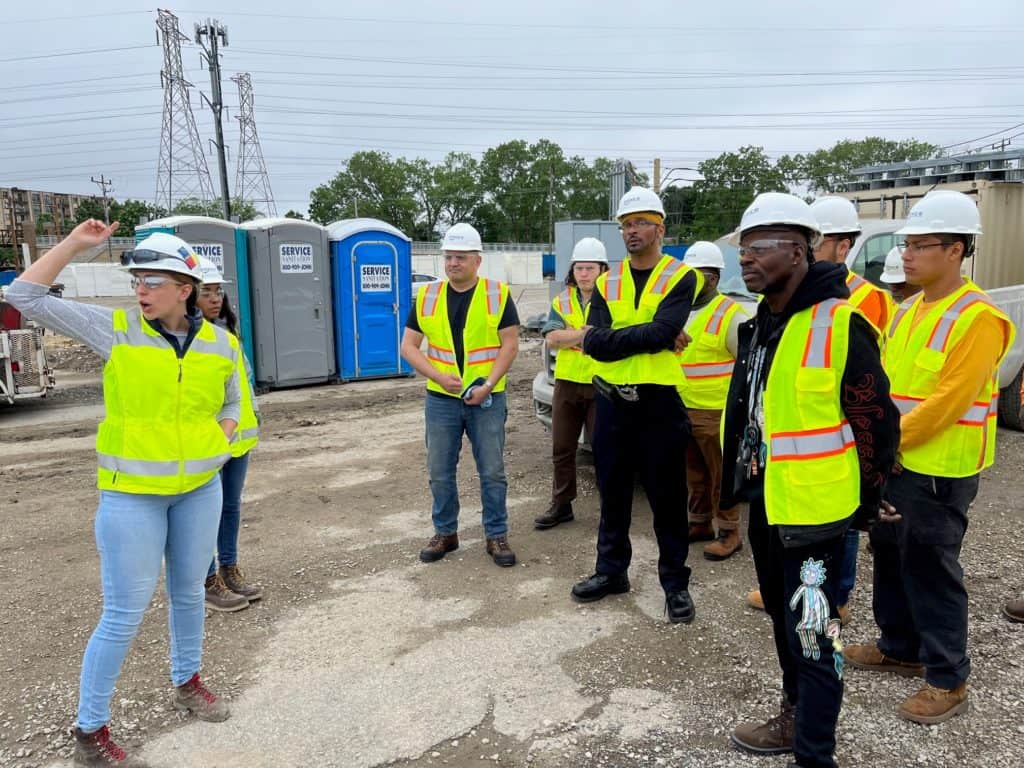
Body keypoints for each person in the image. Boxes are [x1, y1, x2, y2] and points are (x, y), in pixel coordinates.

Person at [6, 224, 241, 767]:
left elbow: (233, 401)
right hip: (132, 498)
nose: (140, 290)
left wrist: (221, 438)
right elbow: (21, 296)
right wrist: (73, 246)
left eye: (152, 281)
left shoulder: (221, 343)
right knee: (124, 613)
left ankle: (188, 682)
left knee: (188, 594)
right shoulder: (115, 330)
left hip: (198, 491)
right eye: (137, 280)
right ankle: (91, 731)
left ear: (185, 288)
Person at [722, 193, 899, 768]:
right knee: (784, 616)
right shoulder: (762, 325)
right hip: (769, 505)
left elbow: (876, 422)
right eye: (743, 249)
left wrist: (868, 506)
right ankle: (795, 715)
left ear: (799, 252)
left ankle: (814, 753)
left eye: (760, 248)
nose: (746, 259)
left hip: (818, 520)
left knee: (817, 636)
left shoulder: (840, 322)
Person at [844, 190, 1016, 725]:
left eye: (922, 245)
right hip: (897, 462)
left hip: (940, 469)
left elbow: (948, 403)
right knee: (891, 555)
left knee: (931, 569)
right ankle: (899, 646)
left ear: (958, 250)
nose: (909, 255)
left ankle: (947, 678)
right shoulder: (909, 309)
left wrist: (883, 446)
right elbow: (887, 387)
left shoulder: (979, 318)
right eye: (908, 244)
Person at [569, 186, 702, 624]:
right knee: (613, 494)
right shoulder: (607, 280)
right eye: (626, 224)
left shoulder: (681, 276)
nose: (632, 231)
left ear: (660, 227)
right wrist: (641, 335)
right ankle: (611, 572)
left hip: (658, 405)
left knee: (667, 499)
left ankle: (675, 585)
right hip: (611, 405)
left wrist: (620, 337)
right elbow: (596, 345)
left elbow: (661, 332)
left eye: (641, 222)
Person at [400, 223, 520, 567]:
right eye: (449, 257)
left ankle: (496, 535)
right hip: (441, 400)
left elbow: (509, 346)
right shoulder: (427, 296)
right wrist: (438, 376)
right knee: (439, 471)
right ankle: (445, 533)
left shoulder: (497, 294)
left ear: (477, 260)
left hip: (487, 400)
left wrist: (487, 386)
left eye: (461, 257)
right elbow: (409, 347)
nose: (453, 263)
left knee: (492, 471)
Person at [194, 257, 263, 612]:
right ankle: (207, 580)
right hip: (208, 439)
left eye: (218, 291)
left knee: (230, 506)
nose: (215, 298)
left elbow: (242, 384)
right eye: (206, 291)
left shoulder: (227, 332)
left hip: (238, 439)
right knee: (206, 510)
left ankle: (228, 569)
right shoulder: (190, 338)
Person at [677, 240, 748, 561]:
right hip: (682, 407)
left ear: (714, 278)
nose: (689, 281)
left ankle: (730, 532)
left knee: (722, 475)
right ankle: (700, 523)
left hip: (717, 412)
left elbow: (745, 366)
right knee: (694, 473)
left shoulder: (731, 315)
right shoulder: (679, 310)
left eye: (697, 275)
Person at [535, 237, 609, 530]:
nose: (583, 274)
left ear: (603, 269)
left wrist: (570, 334)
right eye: (579, 268)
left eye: (590, 268)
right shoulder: (562, 300)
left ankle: (610, 509)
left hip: (601, 383)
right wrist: (587, 334)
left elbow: (616, 337)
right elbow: (551, 338)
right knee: (562, 447)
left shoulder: (615, 300)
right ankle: (562, 504)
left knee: (605, 450)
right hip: (565, 383)